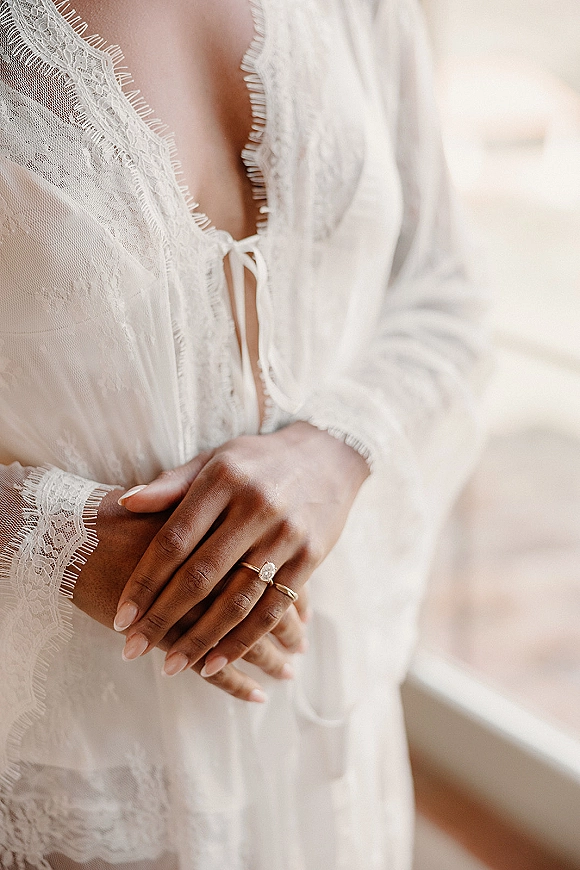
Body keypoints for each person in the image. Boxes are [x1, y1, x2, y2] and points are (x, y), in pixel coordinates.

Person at [0, 0, 488, 867]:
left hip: (323, 738)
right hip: (71, 763)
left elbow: (445, 289)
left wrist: (338, 448)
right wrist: (50, 540)